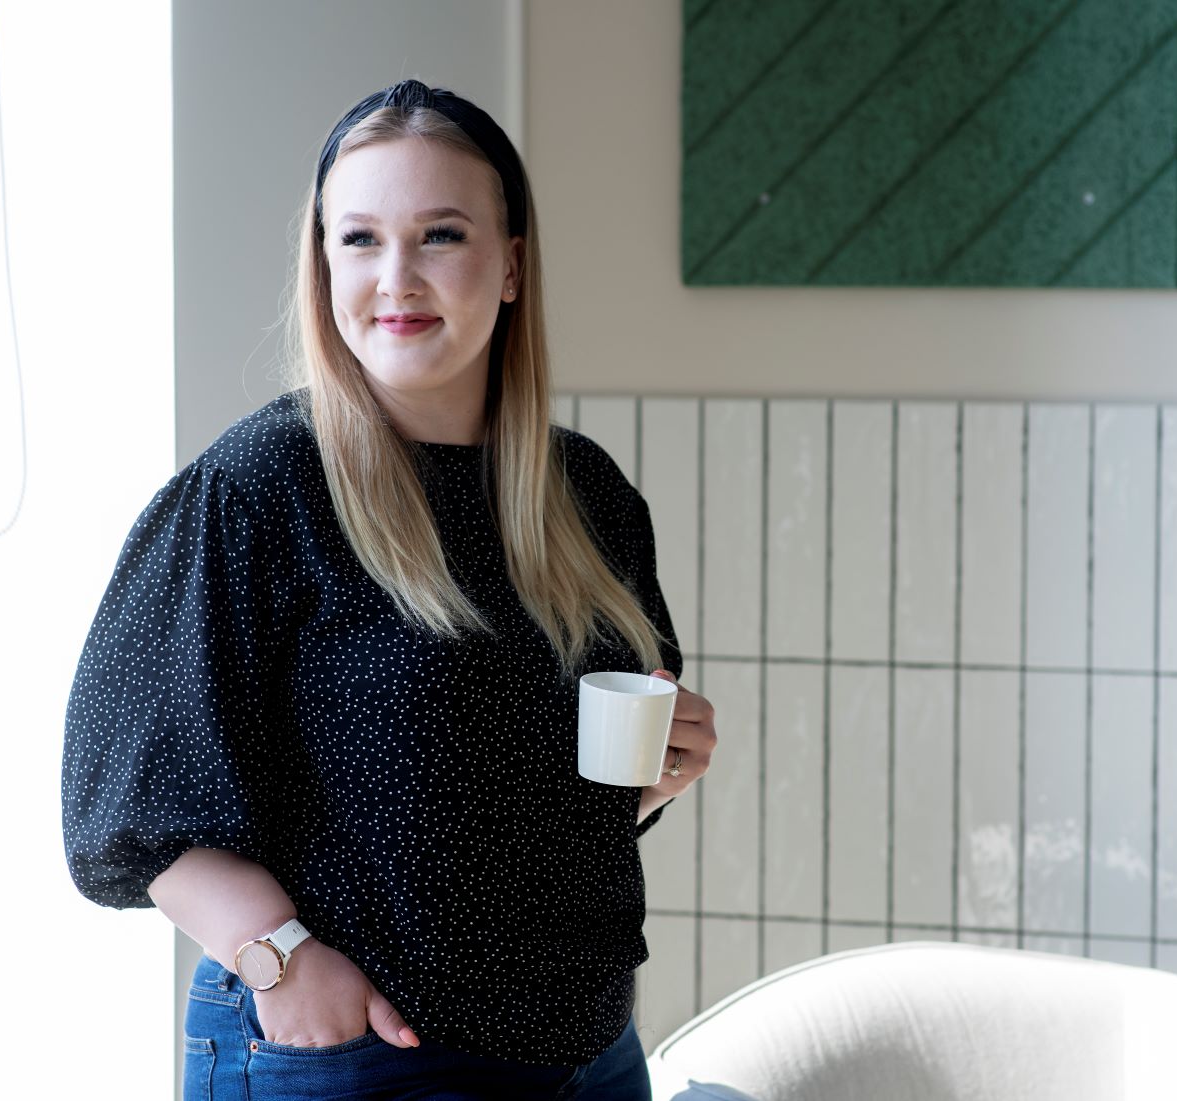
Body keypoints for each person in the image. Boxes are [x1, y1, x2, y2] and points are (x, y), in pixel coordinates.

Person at [60, 78, 717, 1101]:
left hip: (588, 1047)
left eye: (440, 235)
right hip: (371, 1052)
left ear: (509, 267)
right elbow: (121, 805)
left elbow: (502, 798)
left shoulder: (584, 495)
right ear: (321, 266)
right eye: (358, 239)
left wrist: (652, 777)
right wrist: (281, 963)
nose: (395, 277)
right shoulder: (259, 491)